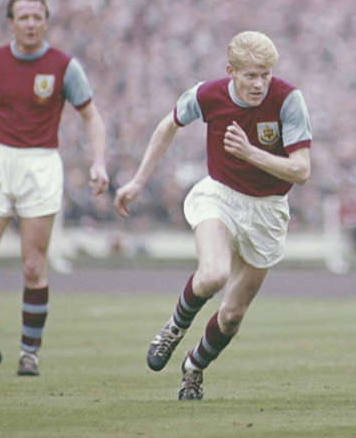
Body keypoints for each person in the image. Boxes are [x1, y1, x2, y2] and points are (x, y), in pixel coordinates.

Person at [114, 31, 312, 400]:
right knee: (214, 274)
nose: (259, 84)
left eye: (265, 75)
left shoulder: (288, 99)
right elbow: (168, 125)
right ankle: (173, 328)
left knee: (232, 316)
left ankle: (194, 367)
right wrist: (139, 180)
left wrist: (250, 153)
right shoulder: (208, 94)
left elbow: (301, 170)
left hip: (268, 210)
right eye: (250, 75)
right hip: (219, 196)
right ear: (230, 71)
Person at [0, 0, 109, 377]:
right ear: (11, 23)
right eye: (24, 17)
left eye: (38, 17)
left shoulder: (64, 66)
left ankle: (29, 353)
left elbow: (91, 115)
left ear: (46, 22)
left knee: (34, 266)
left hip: (40, 164)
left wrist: (99, 161)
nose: (31, 23)